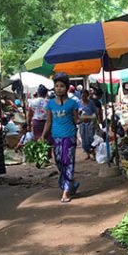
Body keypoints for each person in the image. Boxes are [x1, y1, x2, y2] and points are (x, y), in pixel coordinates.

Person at [42, 73, 80, 203]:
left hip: (69, 136)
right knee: (59, 162)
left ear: (67, 87)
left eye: (62, 86)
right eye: (56, 86)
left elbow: (76, 120)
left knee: (68, 163)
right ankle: (71, 184)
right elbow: (48, 121)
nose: (59, 88)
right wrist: (43, 136)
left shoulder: (73, 103)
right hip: (55, 137)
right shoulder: (50, 104)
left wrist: (86, 119)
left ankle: (66, 191)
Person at [79, 89, 98, 160]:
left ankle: (93, 153)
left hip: (90, 123)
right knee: (84, 139)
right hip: (82, 124)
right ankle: (88, 154)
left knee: (91, 138)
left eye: (85, 96)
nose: (83, 97)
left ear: (87, 96)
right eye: (82, 96)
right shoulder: (79, 103)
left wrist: (96, 121)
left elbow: (95, 112)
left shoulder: (91, 103)